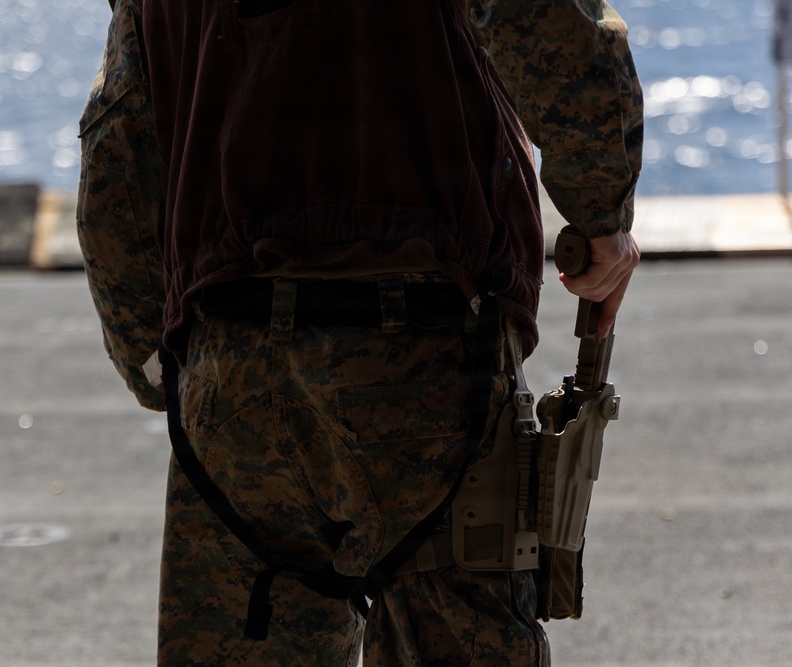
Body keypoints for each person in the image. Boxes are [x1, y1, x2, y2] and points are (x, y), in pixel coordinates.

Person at [76, 0, 642, 664]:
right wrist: (601, 210)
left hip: (229, 372)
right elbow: (543, 21)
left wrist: (155, 356)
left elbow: (116, 146)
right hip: (423, 355)